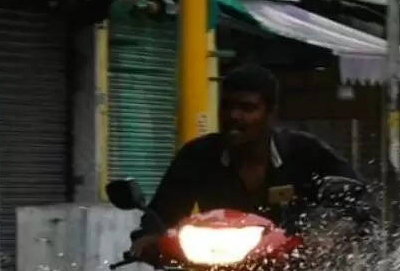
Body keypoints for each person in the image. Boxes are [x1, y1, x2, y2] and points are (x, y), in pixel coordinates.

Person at [129, 63, 368, 259]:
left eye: (247, 108)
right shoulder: (196, 155)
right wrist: (149, 237)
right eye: (227, 106)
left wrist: (329, 233)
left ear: (271, 112)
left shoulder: (305, 152)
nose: (234, 116)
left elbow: (358, 198)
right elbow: (163, 214)